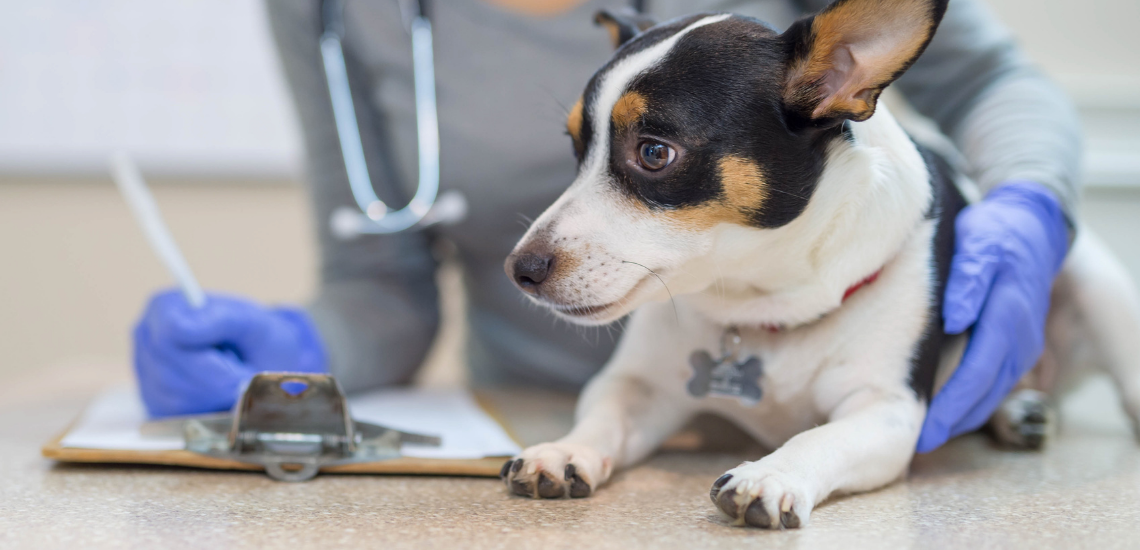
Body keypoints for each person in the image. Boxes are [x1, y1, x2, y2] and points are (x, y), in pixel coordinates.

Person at [132, 0, 1079, 453]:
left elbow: (994, 83)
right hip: (554, 427)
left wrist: (1030, 205)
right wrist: (295, 352)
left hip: (833, 390)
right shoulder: (331, 12)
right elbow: (379, 281)